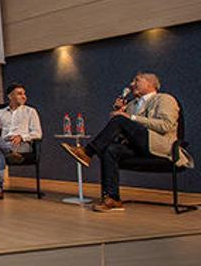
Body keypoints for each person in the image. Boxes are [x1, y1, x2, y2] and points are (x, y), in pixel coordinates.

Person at [61, 72, 194, 212]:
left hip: (161, 146)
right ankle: (112, 199)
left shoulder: (164, 99)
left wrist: (130, 117)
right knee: (110, 149)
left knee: (120, 120)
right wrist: (120, 112)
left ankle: (87, 152)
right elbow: (125, 128)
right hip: (138, 147)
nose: (131, 84)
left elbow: (165, 125)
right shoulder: (131, 104)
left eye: (136, 80)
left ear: (151, 83)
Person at [0, 83, 42, 200]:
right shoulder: (0, 113)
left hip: (22, 144)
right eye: (19, 94)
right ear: (10, 96)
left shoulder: (30, 111)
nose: (24, 96)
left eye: (24, 94)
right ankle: (9, 152)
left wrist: (22, 137)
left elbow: (38, 133)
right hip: (4, 142)